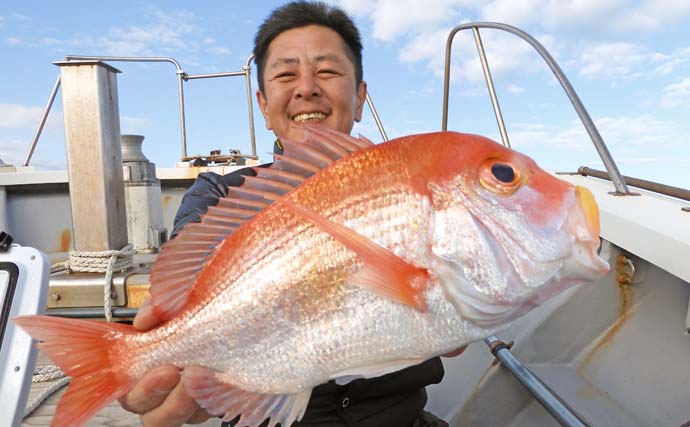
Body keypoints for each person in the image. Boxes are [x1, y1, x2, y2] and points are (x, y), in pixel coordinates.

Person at [119, 2, 464, 426]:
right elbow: (180, 293)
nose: (306, 88)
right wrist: (150, 350)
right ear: (264, 106)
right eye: (286, 74)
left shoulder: (407, 187)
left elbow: (454, 336)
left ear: (359, 98)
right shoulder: (220, 195)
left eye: (327, 71)